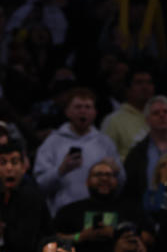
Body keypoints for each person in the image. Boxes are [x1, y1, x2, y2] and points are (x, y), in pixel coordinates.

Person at [33, 88, 126, 216]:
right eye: (78, 107)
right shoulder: (52, 143)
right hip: (64, 214)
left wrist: (116, 171)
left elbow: (121, 185)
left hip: (100, 214)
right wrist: (61, 170)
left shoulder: (105, 143)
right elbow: (39, 185)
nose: (83, 111)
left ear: (95, 112)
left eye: (87, 107)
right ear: (67, 112)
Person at [0, 142, 53, 252]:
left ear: (24, 166)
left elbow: (24, 242)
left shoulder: (30, 195)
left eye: (14, 162)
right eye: (3, 163)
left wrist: (2, 229)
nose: (9, 168)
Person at [100, 69, 156, 160]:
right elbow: (104, 157)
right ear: (128, 89)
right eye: (139, 82)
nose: (145, 87)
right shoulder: (113, 120)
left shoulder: (163, 117)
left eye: (149, 82)